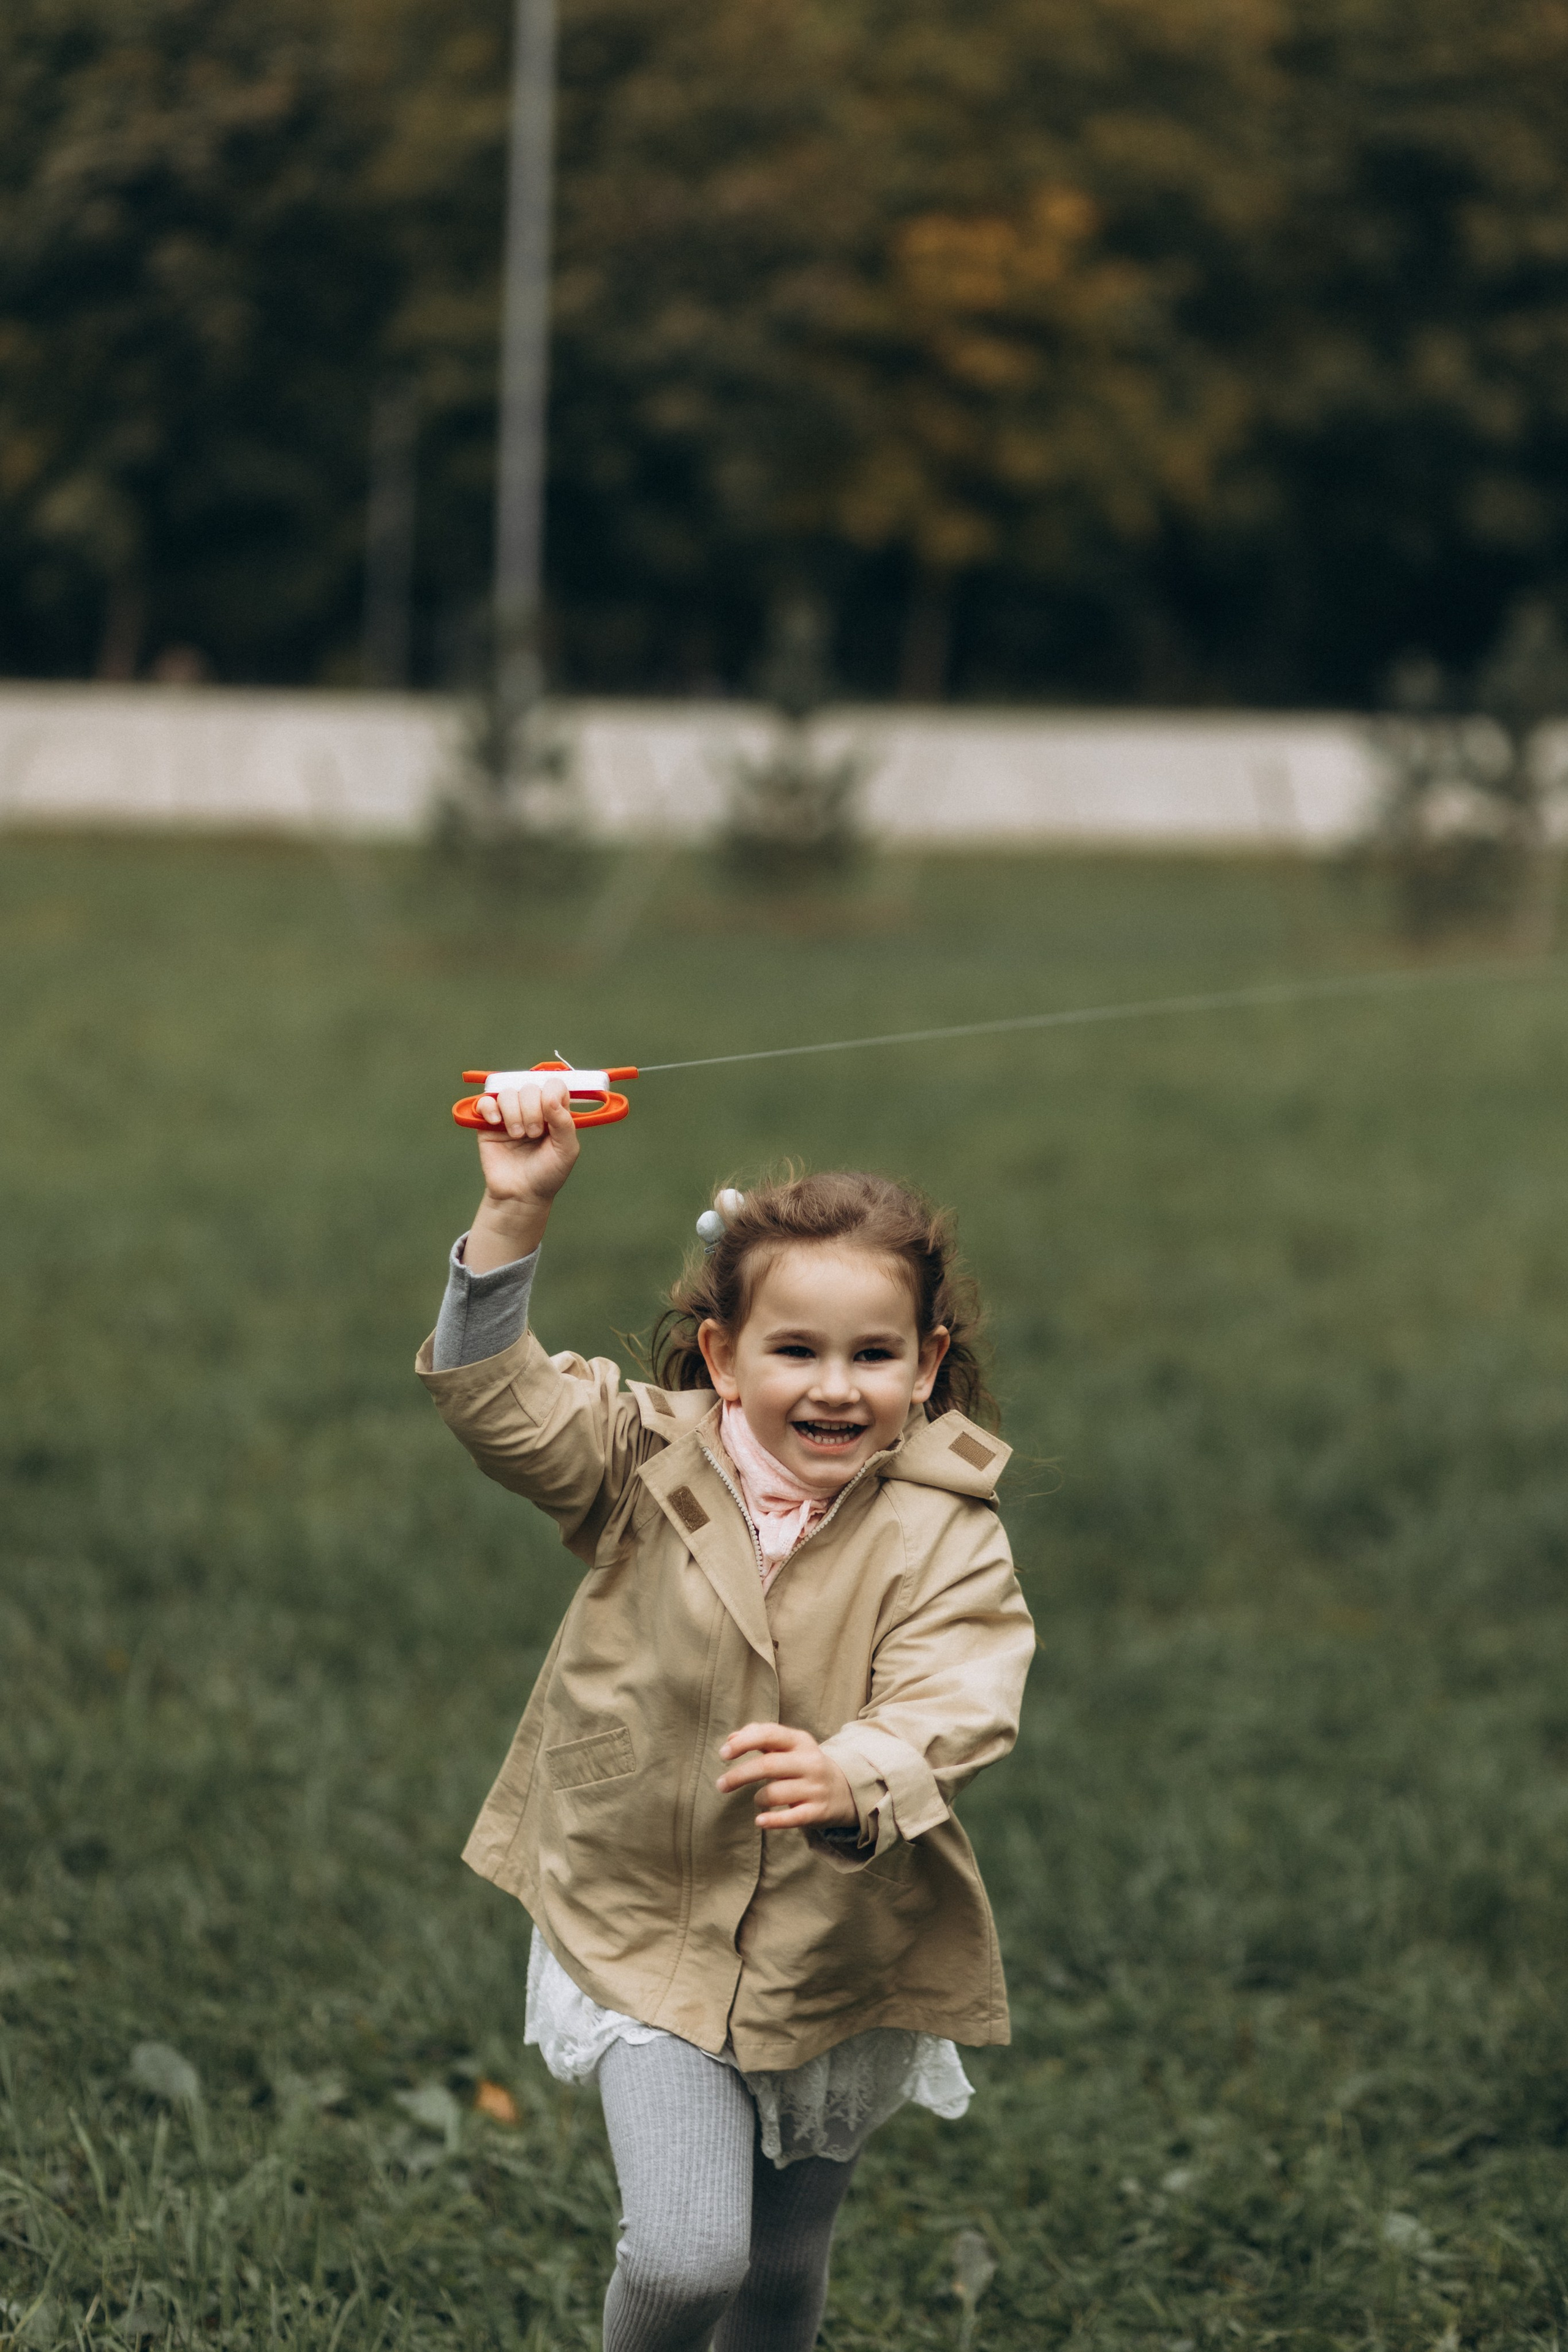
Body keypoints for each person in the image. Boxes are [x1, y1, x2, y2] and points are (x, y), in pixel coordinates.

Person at [418, 1072, 1035, 2352]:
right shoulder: (645, 1458)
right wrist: (512, 1220)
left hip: (833, 1938)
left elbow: (958, 1688)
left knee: (779, 2261)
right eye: (793, 1350)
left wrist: (857, 1769)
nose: (831, 1387)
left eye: (872, 1355)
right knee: (691, 2254)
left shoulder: (945, 1532)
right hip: (641, 1909)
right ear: (721, 1354)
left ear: (925, 1367)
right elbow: (500, 1405)